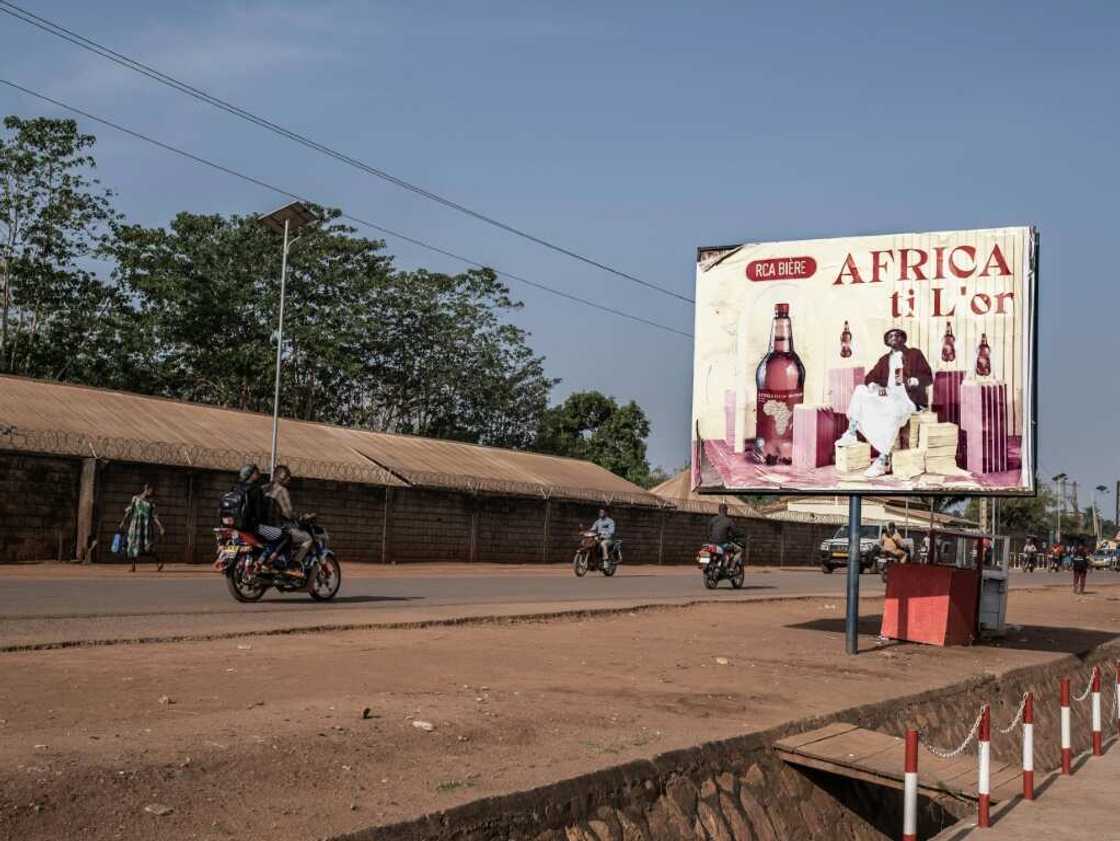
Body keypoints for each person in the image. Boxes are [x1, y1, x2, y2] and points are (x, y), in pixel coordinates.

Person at [836, 328, 933, 478]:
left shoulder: (914, 354)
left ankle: (882, 460)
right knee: (861, 390)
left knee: (893, 410)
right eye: (890, 336)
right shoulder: (884, 360)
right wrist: (874, 385)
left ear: (903, 338)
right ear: (887, 341)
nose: (893, 338)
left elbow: (928, 377)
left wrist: (916, 380)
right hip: (888, 393)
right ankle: (852, 431)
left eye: (897, 335)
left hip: (907, 397)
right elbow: (869, 378)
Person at [265, 465, 312, 576]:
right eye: (287, 477)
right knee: (307, 538)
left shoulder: (265, 487)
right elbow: (288, 513)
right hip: (279, 526)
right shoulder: (282, 490)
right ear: (281, 477)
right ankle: (294, 565)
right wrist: (302, 517)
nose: (289, 479)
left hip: (264, 526)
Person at [120, 483, 165, 573]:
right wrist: (123, 522)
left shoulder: (151, 503)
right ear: (146, 489)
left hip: (146, 528)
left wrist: (160, 527)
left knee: (148, 546)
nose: (151, 492)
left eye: (152, 491)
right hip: (135, 526)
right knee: (133, 545)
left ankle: (158, 562)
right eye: (150, 490)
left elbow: (154, 516)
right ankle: (133, 566)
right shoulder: (135, 499)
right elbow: (129, 511)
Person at [708, 503, 742, 571]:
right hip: (723, 544)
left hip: (712, 544)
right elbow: (735, 532)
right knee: (739, 550)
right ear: (726, 510)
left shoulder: (712, 519)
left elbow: (708, 531)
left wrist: (711, 539)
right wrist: (740, 535)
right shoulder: (729, 521)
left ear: (719, 510)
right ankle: (732, 567)